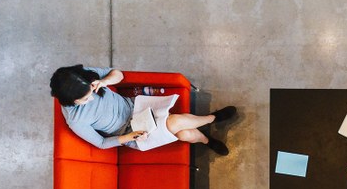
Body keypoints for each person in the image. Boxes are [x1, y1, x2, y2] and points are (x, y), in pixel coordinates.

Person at [50, 65, 235, 155]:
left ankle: (205, 140)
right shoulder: (75, 119)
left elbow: (119, 75)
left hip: (136, 106)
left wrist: (104, 81)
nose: (92, 98)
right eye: (85, 99)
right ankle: (213, 118)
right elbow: (101, 143)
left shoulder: (83, 76)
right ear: (73, 101)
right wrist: (129, 137)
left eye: (91, 91)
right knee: (177, 123)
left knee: (185, 133)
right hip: (132, 133)